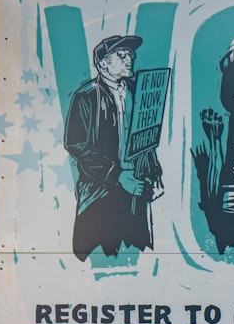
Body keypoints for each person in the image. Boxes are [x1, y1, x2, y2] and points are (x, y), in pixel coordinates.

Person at [64, 34, 163, 261]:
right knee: (97, 257)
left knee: (139, 257)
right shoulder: (86, 96)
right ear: (102, 63)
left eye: (130, 54)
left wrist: (155, 174)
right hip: (100, 193)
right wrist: (117, 175)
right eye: (121, 55)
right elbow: (75, 144)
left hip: (137, 192)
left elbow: (146, 139)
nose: (130, 58)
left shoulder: (139, 93)